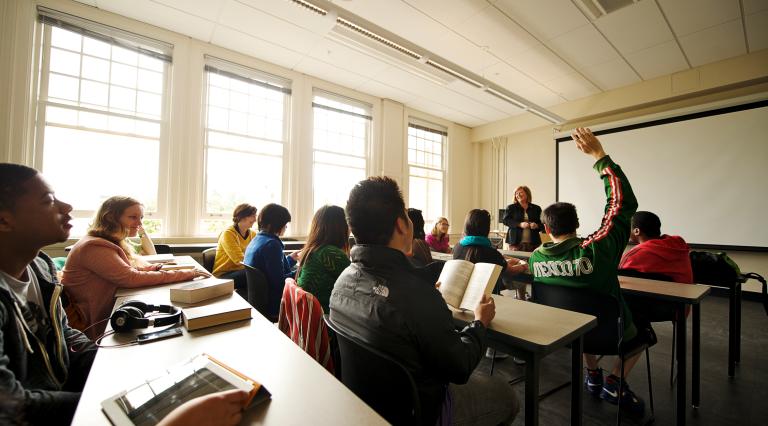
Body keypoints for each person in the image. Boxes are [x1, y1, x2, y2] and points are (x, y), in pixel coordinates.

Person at [330, 176, 518, 425]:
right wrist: (480, 323)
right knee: (507, 396)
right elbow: (460, 366)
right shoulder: (416, 294)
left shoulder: (343, 280)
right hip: (421, 411)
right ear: (400, 225)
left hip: (367, 406)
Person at [529, 127, 648, 415]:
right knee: (643, 331)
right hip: (611, 335)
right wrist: (599, 155)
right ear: (577, 224)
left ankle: (592, 373)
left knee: (578, 315)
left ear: (546, 229)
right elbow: (621, 204)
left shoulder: (535, 259)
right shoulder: (597, 249)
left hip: (566, 335)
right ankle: (615, 381)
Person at [0, 163, 97, 425]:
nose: (66, 207)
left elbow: (63, 336)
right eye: (49, 200)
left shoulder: (41, 267)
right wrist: (101, 399)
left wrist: (110, 365)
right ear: (3, 220)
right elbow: (10, 406)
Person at [62, 196, 209, 339]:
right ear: (111, 218)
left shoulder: (106, 241)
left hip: (107, 313)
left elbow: (129, 269)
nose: (139, 223)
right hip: (93, 326)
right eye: (133, 217)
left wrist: (155, 269)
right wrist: (188, 273)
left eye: (141, 218)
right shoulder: (94, 246)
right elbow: (131, 278)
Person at [453, 209, 528, 298]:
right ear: (486, 228)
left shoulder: (457, 247)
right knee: (521, 278)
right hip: (486, 296)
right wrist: (524, 266)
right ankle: (522, 299)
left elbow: (498, 263)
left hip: (462, 294)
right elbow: (510, 271)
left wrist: (508, 262)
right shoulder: (490, 252)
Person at [243, 203, 299, 320]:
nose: (286, 227)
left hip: (260, 300)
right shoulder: (272, 245)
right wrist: (302, 270)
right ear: (277, 224)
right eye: (285, 224)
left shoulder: (257, 239)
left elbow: (270, 271)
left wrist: (290, 259)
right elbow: (280, 282)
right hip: (274, 304)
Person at [295, 205, 350, 314]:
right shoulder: (330, 253)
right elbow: (356, 283)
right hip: (325, 319)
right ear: (341, 227)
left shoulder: (313, 250)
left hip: (308, 317)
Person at [620, 211, 693, 284]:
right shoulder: (678, 243)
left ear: (637, 231)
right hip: (688, 292)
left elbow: (618, 270)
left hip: (658, 294)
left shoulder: (635, 255)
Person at [213, 204, 258, 295]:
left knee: (256, 274)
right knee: (253, 274)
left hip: (241, 272)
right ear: (243, 217)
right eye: (253, 216)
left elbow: (255, 255)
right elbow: (239, 260)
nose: (255, 219)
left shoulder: (253, 234)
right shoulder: (228, 234)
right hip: (223, 275)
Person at [502, 185, 543, 251]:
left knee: (532, 261)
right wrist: (519, 224)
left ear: (527, 193)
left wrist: (536, 225)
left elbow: (543, 224)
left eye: (520, 192)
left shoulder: (536, 208)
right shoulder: (511, 207)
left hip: (533, 243)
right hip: (515, 243)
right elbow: (505, 220)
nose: (518, 195)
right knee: (516, 260)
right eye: (516, 193)